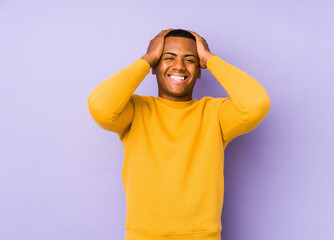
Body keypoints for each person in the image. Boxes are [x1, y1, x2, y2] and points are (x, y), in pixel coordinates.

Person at [87, 28, 271, 240]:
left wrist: (210, 59)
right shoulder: (135, 110)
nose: (179, 66)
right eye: (168, 58)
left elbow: (257, 104)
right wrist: (146, 59)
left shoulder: (215, 113)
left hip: (202, 236)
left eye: (190, 60)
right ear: (155, 67)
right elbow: (100, 106)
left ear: (200, 69)